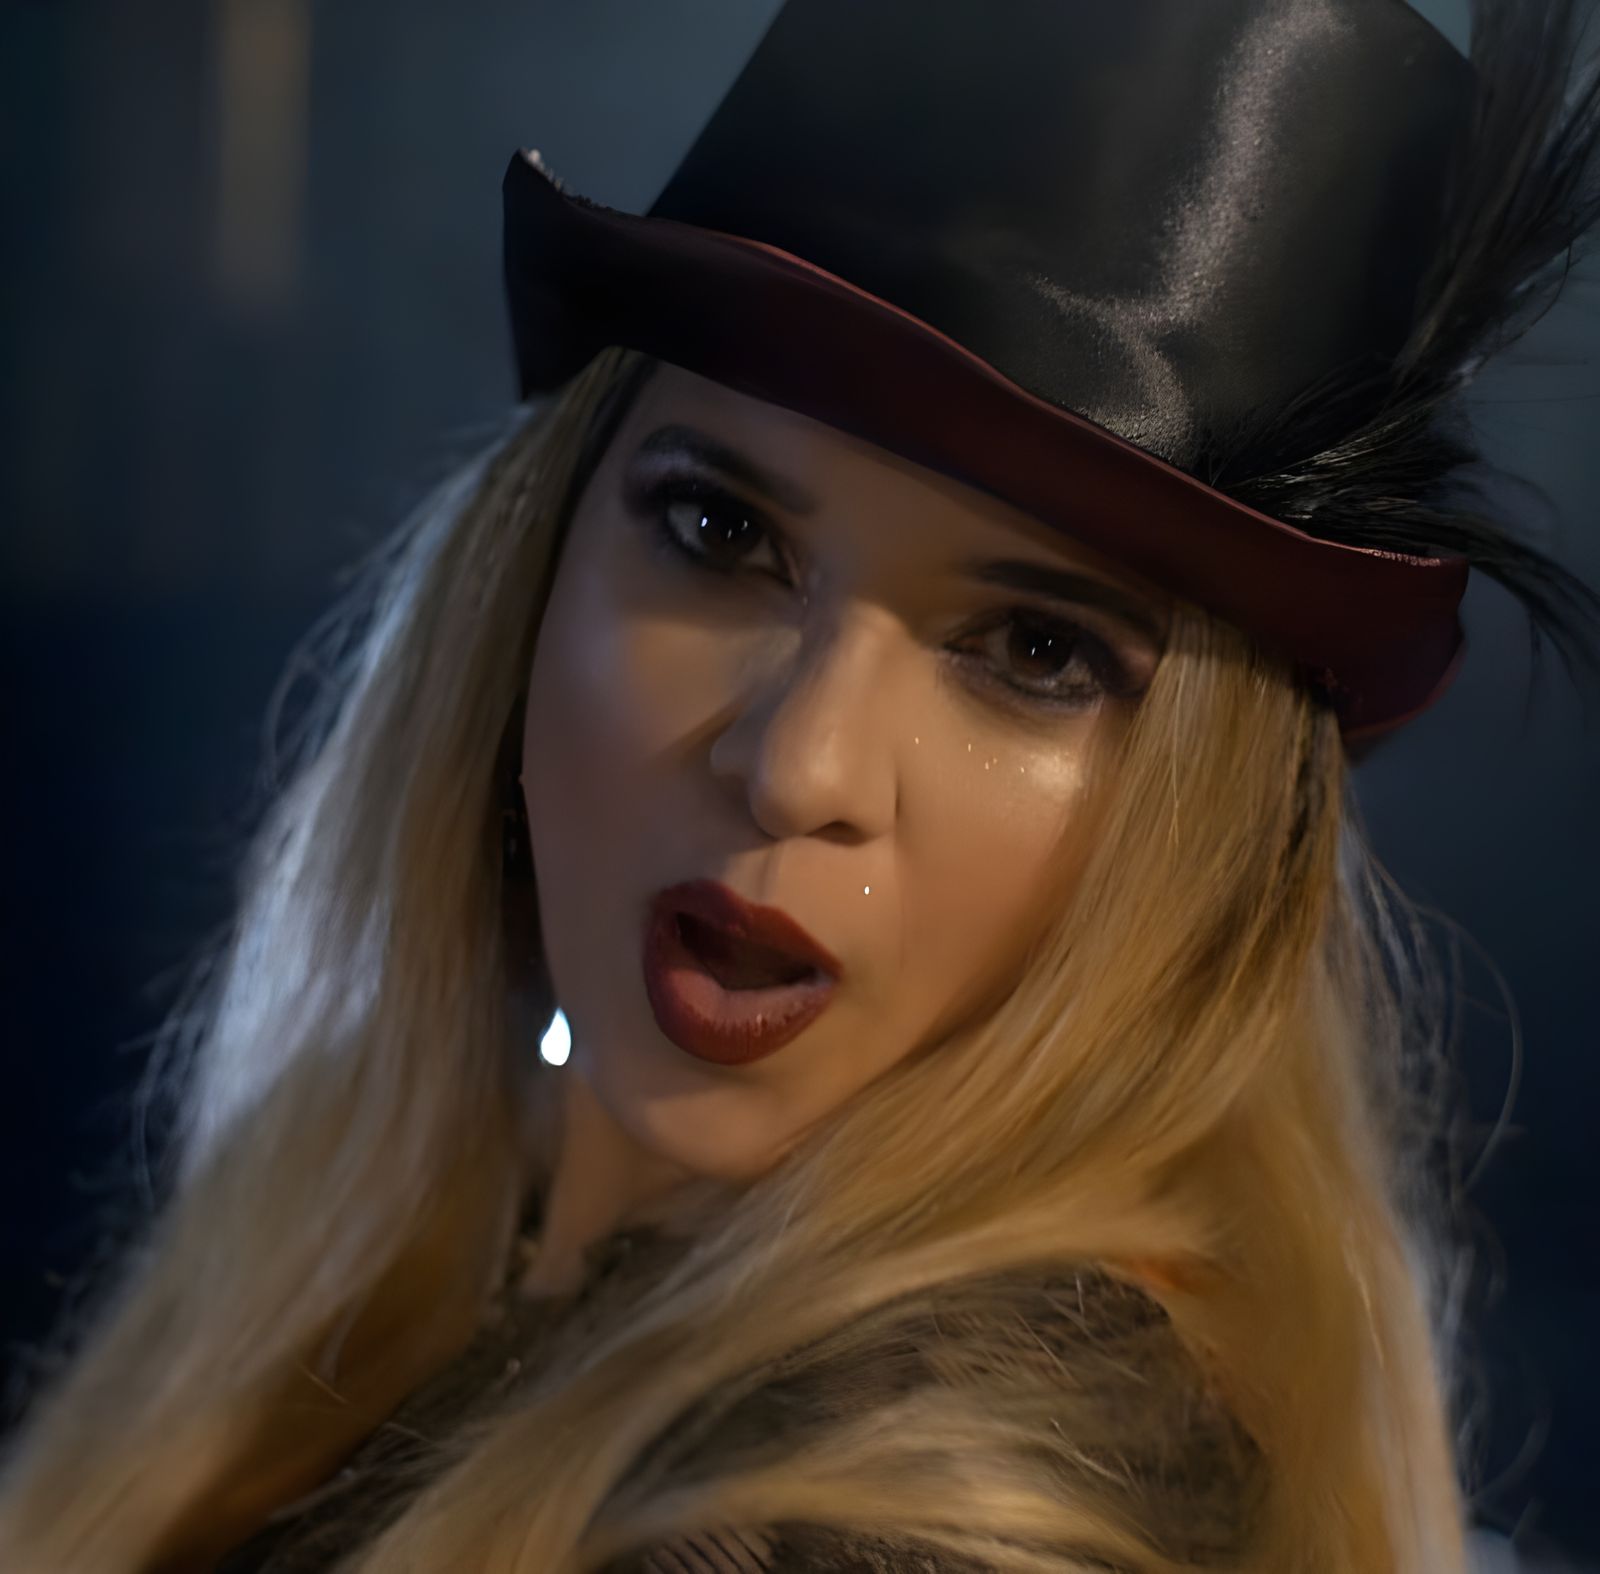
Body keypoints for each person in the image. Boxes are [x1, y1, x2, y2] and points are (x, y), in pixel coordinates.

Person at [3, 1, 1598, 1570]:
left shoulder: (914, 1517)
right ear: (534, 560)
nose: (796, 765)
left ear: (1203, 834)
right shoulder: (425, 1223)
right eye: (721, 532)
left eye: (1035, 649)